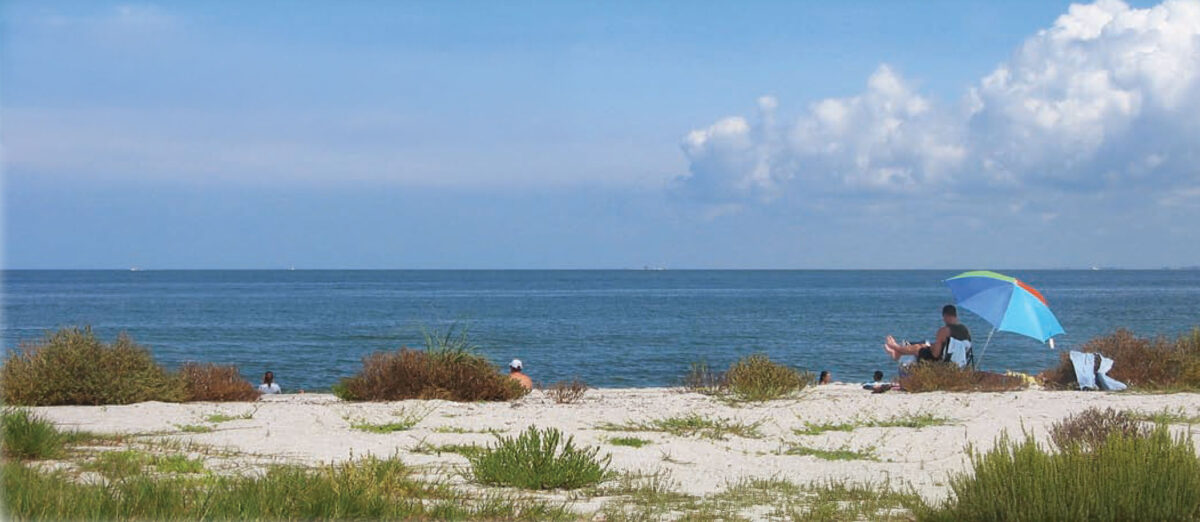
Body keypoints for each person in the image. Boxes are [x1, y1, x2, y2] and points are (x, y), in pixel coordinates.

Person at [883, 304, 972, 362]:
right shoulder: (966, 330)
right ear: (955, 315)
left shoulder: (944, 331)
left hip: (944, 360)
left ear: (945, 316)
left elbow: (935, 354)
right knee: (924, 346)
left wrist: (930, 348)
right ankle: (896, 353)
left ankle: (896, 347)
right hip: (959, 360)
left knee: (917, 348)